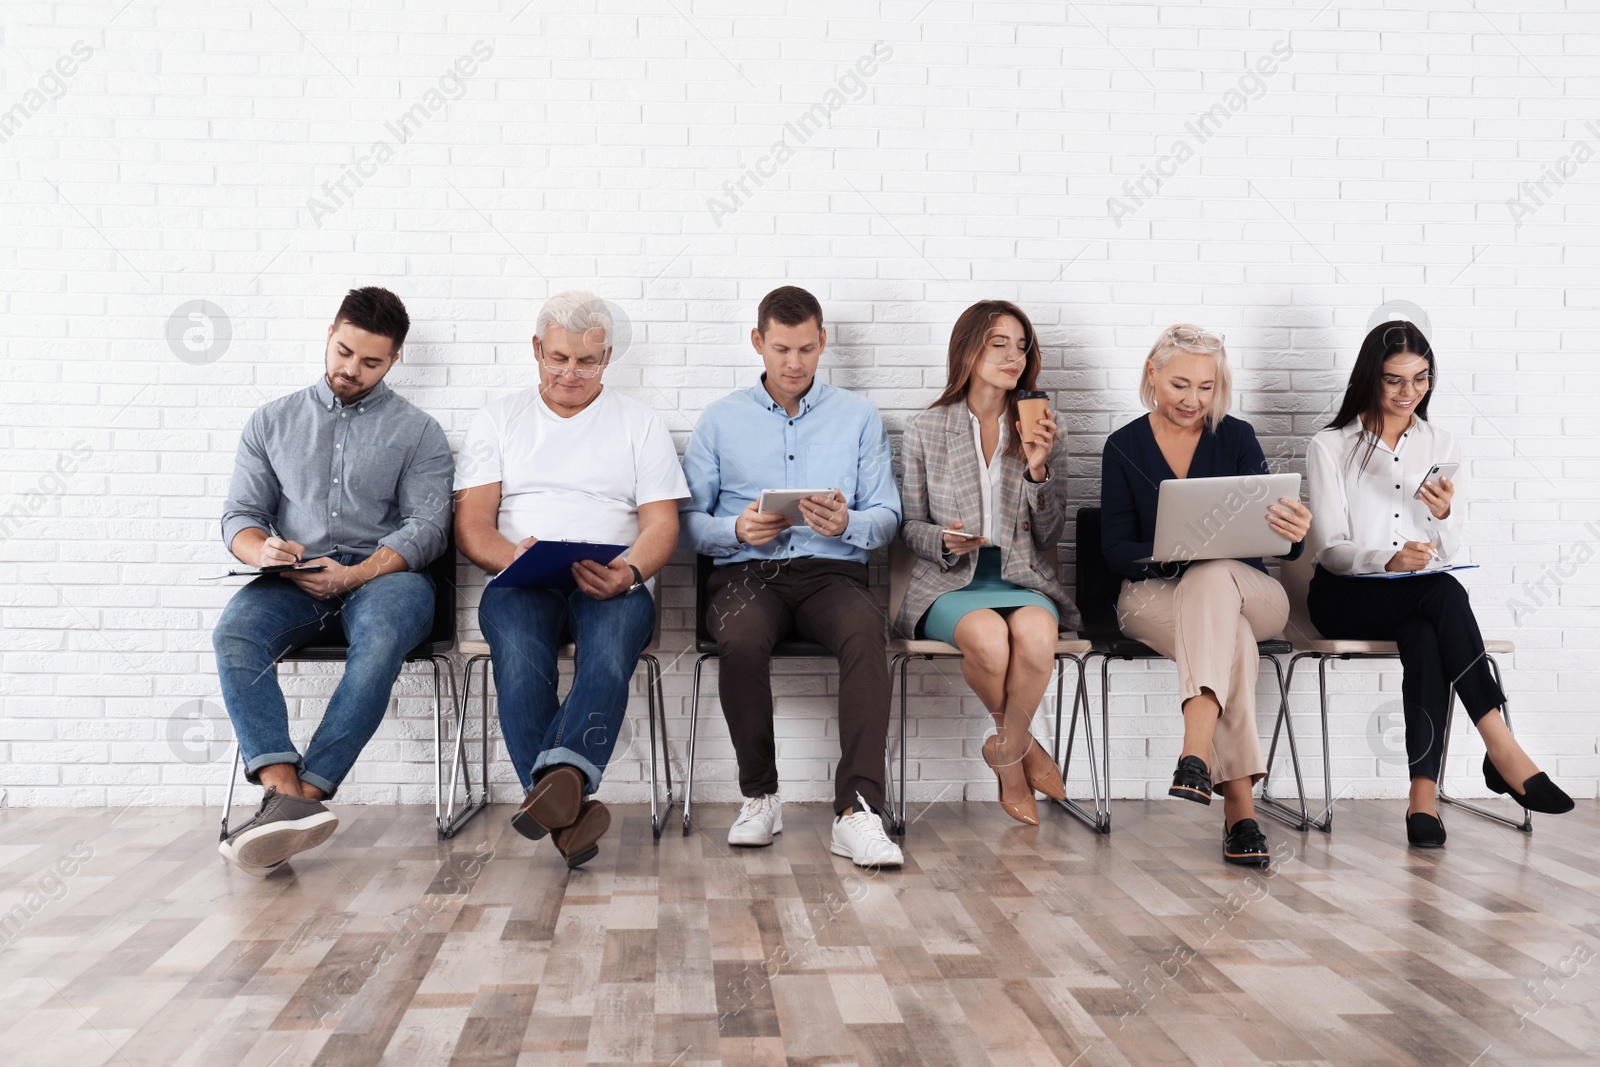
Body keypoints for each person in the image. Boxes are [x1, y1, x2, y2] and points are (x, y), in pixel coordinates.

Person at [213, 287, 453, 876]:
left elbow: (428, 529)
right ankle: (281, 790)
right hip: (294, 581)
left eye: (370, 361)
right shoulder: (271, 421)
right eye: (344, 351)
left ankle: (306, 799)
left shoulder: (420, 432)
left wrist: (357, 573)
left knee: (380, 641)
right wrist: (263, 550)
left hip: (386, 579)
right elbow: (239, 517)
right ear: (329, 334)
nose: (351, 369)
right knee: (234, 634)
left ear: (394, 360)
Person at [1306, 320, 1573, 847]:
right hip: (1344, 596)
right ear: (1369, 379)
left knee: (1428, 633)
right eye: (1394, 381)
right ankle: (1501, 746)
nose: (1410, 393)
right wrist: (1388, 559)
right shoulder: (1331, 445)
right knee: (1444, 594)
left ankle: (1422, 800)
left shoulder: (1439, 441)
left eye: (1421, 379)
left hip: (1415, 597)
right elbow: (1330, 550)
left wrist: (1446, 514)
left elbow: (1448, 551)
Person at [455, 291, 687, 869]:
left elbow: (661, 525)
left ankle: (560, 791)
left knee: (607, 653)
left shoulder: (640, 423)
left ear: (607, 357)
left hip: (613, 577)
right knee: (520, 657)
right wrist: (513, 556)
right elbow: (472, 526)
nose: (570, 373)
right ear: (536, 349)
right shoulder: (499, 419)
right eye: (558, 358)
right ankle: (571, 806)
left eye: (587, 361)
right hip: (521, 577)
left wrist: (630, 571)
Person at [681, 285, 904, 867]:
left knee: (865, 633)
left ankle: (856, 813)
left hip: (832, 574)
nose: (793, 363)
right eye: (781, 348)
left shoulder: (858, 417)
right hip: (747, 575)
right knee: (741, 637)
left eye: (806, 349)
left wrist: (846, 522)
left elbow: (888, 519)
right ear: (758, 342)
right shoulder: (719, 420)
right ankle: (760, 798)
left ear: (822, 341)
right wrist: (735, 530)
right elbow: (686, 523)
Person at [1101, 324, 1312, 867]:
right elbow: (1114, 550)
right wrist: (1175, 553)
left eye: (1205, 386)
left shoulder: (1236, 437)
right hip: (1153, 598)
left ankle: (1194, 751)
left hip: (1252, 593)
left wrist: (1293, 535)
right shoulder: (1123, 446)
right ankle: (1240, 813)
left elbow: (1278, 549)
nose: (1193, 400)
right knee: (1229, 637)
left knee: (1215, 575)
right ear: (1152, 374)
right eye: (1179, 385)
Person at [896, 300, 1082, 826]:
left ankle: (1006, 748)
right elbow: (908, 527)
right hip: (950, 581)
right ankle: (1020, 754)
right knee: (989, 640)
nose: (1013, 356)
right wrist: (945, 539)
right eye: (998, 343)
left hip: (1020, 576)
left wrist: (1039, 469)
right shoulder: (926, 429)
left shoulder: (1045, 425)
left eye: (1021, 346)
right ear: (968, 348)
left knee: (1039, 637)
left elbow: (1050, 533)